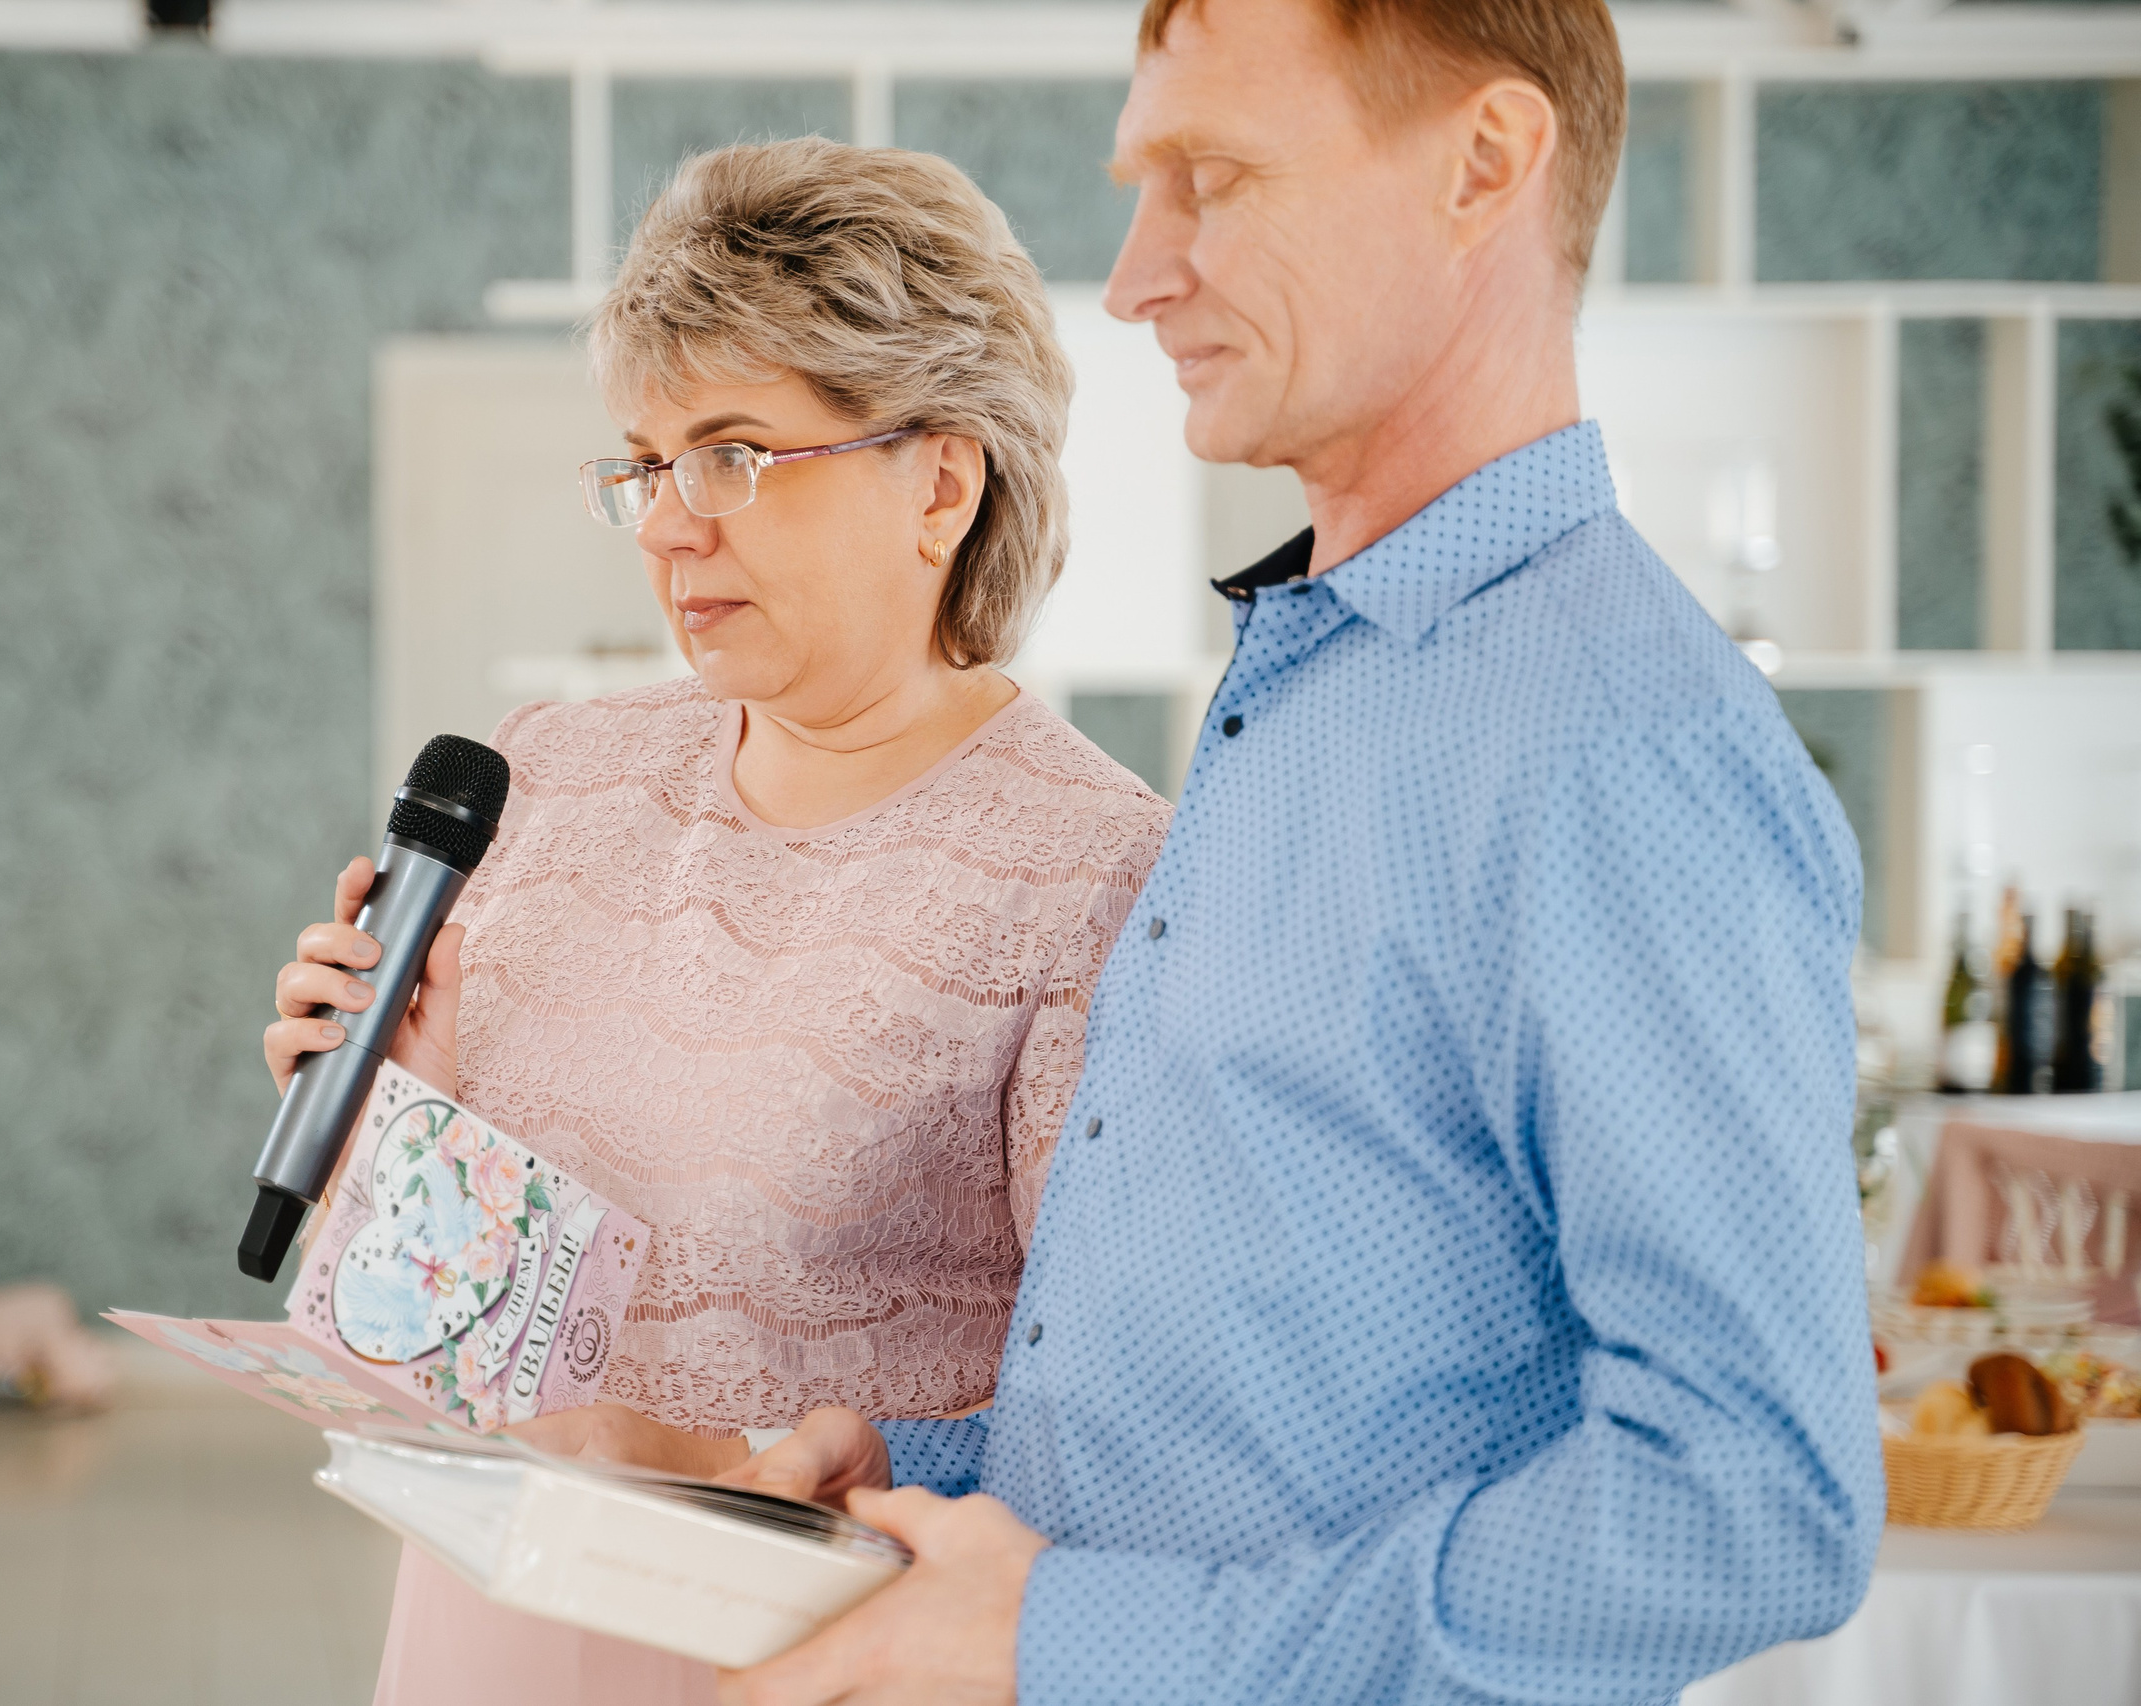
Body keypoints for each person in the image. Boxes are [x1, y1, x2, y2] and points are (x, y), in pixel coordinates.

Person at [713, 2, 1884, 1702]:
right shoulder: (1312, 691)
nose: (1132, 278)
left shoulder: (1620, 749)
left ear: (1484, 166)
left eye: (1213, 177)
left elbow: (1757, 1504)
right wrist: (931, 1484)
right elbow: (1296, 1398)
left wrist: (1068, 1637)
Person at [262, 139, 1171, 1705]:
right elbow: (443, 1332)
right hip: (486, 1630)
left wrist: (694, 1455)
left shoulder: (1097, 873)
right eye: (647, 461)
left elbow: (1116, 1427)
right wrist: (386, 1118)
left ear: (942, 481)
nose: (671, 523)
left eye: (736, 453)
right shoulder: (547, 773)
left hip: (820, 1661)